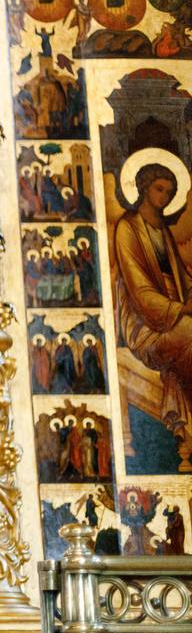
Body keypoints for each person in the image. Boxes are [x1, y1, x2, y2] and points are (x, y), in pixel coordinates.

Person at [113, 161, 192, 433]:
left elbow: (182, 278)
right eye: (159, 189)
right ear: (144, 187)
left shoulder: (162, 230)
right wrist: (180, 309)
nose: (164, 197)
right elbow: (139, 290)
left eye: (170, 192)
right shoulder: (127, 228)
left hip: (173, 310)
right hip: (145, 323)